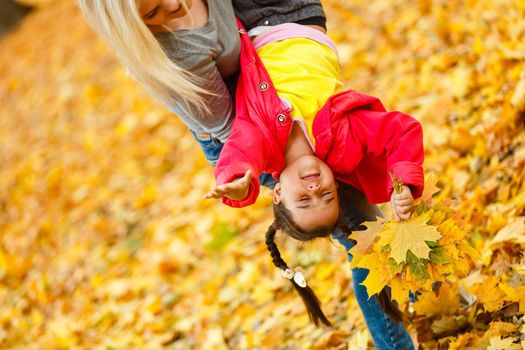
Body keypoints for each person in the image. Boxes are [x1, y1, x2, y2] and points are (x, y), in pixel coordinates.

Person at [75, 1, 417, 348]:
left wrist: (240, 177)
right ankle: (406, 329)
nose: (175, 5)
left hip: (274, 69)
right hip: (232, 120)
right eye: (153, 13)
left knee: (372, 234)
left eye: (306, 196)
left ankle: (429, 288)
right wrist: (245, 175)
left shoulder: (295, 132)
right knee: (366, 238)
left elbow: (250, 142)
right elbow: (235, 136)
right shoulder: (332, 133)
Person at [204, 17, 424, 336]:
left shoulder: (264, 145)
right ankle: (429, 296)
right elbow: (400, 131)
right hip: (301, 14)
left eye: (304, 198)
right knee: (371, 241)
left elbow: (241, 149)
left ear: (277, 192)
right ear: (337, 183)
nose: (315, 187)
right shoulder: (345, 137)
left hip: (256, 22)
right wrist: (401, 184)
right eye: (327, 195)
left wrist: (240, 184)